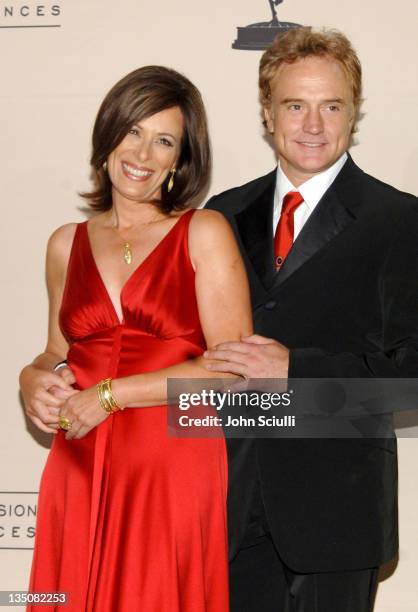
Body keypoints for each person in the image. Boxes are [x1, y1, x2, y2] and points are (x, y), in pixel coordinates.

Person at [19, 65, 253, 611]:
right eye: (133, 132)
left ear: (180, 160)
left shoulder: (203, 232)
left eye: (164, 140)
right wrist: (33, 378)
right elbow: (57, 351)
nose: (142, 154)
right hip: (79, 458)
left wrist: (110, 396)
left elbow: (234, 372)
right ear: (109, 136)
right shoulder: (64, 243)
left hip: (170, 459)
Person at [205, 27, 418, 612]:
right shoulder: (221, 214)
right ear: (268, 115)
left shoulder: (399, 220)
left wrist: (294, 370)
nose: (313, 125)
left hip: (337, 513)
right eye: (295, 106)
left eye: (332, 106)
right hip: (226, 503)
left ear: (354, 113)